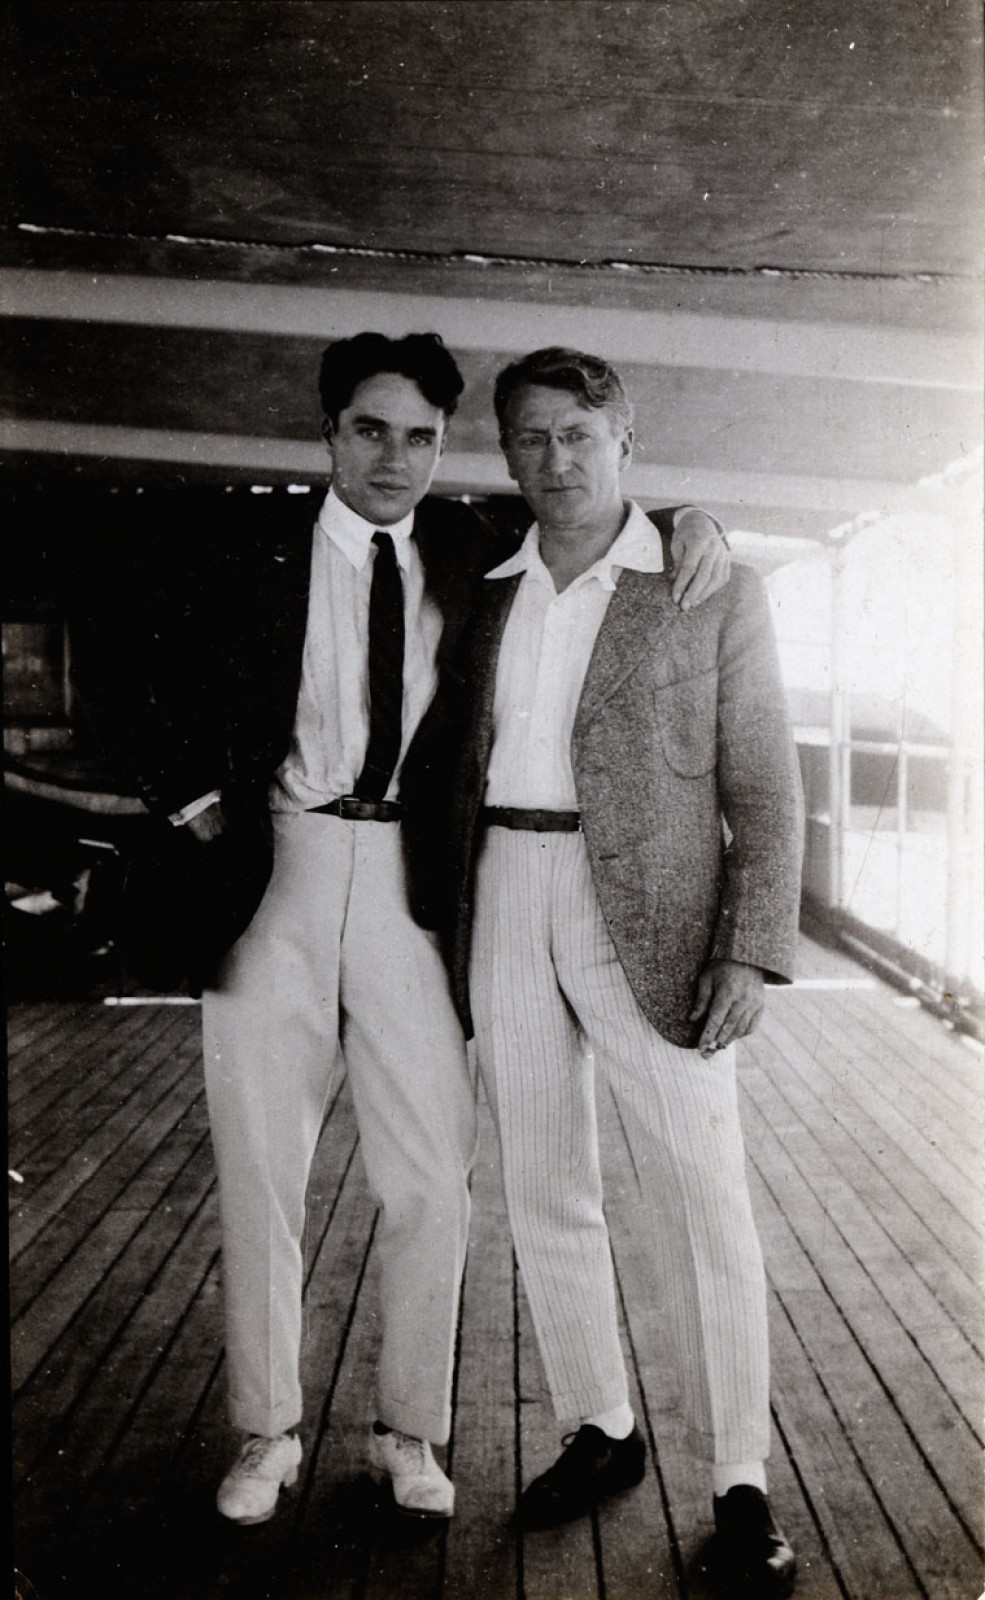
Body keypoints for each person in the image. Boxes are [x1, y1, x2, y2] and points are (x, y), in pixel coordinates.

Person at [66, 331, 730, 1528]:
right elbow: (112, 644)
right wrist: (191, 797)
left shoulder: (474, 550)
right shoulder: (243, 544)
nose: (395, 457)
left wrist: (694, 517)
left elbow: (602, 515)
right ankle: (265, 1431)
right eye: (370, 430)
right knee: (262, 1168)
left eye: (420, 436)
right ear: (328, 435)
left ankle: (406, 1429)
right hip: (275, 864)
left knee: (433, 1176)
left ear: (442, 447)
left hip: (416, 884)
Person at [446, 346, 804, 1595]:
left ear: (626, 445)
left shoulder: (709, 584)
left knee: (703, 1200)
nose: (554, 461)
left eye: (578, 438)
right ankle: (600, 1427)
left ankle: (741, 1480)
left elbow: (764, 783)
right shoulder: (482, 581)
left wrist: (752, 946)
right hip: (504, 888)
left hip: (657, 919)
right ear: (507, 455)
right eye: (531, 439)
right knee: (543, 1183)